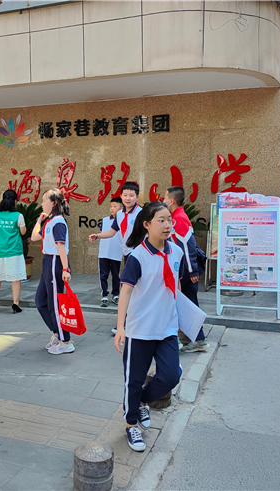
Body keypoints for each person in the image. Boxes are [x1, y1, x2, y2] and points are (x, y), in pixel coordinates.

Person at [114, 201, 184, 452]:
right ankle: (130, 423)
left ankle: (141, 401)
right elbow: (125, 292)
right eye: (161, 221)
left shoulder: (177, 252)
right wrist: (120, 326)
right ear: (146, 225)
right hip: (140, 330)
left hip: (166, 328)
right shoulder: (138, 257)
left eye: (169, 220)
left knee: (171, 376)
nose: (167, 225)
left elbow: (176, 288)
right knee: (132, 381)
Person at [89, 182, 141, 333]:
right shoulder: (119, 214)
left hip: (138, 255)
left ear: (137, 197)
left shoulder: (142, 213)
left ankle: (125, 325)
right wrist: (97, 235)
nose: (128, 198)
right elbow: (112, 232)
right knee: (133, 290)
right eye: (125, 195)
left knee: (129, 290)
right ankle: (128, 324)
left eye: (131, 195)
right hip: (128, 256)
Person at [164, 186, 207, 352]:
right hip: (183, 270)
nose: (163, 200)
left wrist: (192, 271)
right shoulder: (176, 216)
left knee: (189, 305)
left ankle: (199, 340)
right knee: (187, 304)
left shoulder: (179, 218)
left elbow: (188, 245)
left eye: (165, 197)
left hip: (186, 271)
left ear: (172, 201)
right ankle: (191, 338)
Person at [31, 188, 74, 355]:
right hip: (48, 261)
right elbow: (35, 237)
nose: (42, 203)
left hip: (56, 261)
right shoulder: (50, 221)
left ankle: (66, 341)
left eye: (44, 200)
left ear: (54, 203)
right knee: (40, 300)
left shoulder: (58, 223)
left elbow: (61, 247)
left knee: (55, 304)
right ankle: (57, 333)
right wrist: (39, 220)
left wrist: (66, 269)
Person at [0, 189, 27, 314]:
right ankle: (15, 304)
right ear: (15, 201)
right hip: (13, 251)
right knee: (15, 279)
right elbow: (23, 232)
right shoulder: (18, 216)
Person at [98, 197, 124, 308]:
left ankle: (116, 295)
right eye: (111, 206)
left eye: (115, 206)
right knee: (103, 275)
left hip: (116, 252)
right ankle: (104, 296)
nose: (112, 209)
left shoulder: (123, 221)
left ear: (121, 208)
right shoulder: (105, 220)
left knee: (115, 276)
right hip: (104, 252)